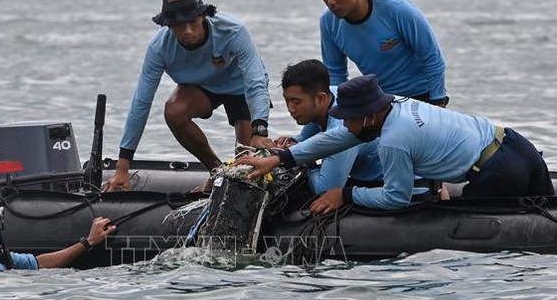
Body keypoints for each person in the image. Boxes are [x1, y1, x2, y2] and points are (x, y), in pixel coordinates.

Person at [237, 75, 554, 213]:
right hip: (518, 145)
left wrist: (345, 194)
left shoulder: (394, 141)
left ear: (367, 115)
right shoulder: (395, 106)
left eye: (348, 117)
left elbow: (397, 198)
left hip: (498, 172)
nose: (344, 124)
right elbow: (338, 138)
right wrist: (280, 159)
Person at [104, 0, 274, 192]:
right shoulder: (158, 48)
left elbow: (255, 80)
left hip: (242, 87)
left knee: (245, 165)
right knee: (174, 111)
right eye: (178, 25)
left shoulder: (234, 30)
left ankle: (237, 172)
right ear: (167, 25)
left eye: (192, 22)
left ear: (203, 16)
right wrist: (123, 166)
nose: (187, 32)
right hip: (202, 88)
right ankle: (217, 172)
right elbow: (141, 103)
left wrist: (259, 129)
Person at [319, 0, 448, 106]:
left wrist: (438, 104)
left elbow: (433, 59)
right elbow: (335, 74)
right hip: (383, 101)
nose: (330, 1)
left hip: (424, 97)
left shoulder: (398, 9)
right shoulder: (328, 22)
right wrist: (337, 114)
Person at [275, 59, 381, 193]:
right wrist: (288, 142)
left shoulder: (343, 125)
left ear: (321, 99)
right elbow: (303, 139)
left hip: (381, 183)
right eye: (287, 100)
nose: (290, 109)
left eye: (296, 102)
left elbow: (325, 189)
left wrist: (307, 164)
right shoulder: (329, 95)